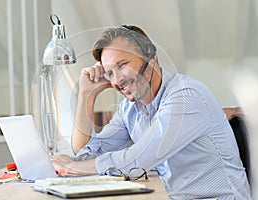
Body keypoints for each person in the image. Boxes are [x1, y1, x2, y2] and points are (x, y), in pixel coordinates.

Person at [51, 25, 251, 199]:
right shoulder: (130, 108)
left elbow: (137, 159)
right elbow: (86, 155)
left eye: (122, 65)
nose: (116, 80)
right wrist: (87, 95)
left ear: (151, 57)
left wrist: (71, 167)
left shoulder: (186, 96)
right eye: (110, 72)